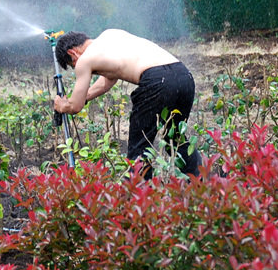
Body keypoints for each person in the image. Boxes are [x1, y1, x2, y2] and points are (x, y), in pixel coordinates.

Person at [52, 29, 202, 180]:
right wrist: (85, 96)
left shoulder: (84, 60)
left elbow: (75, 107)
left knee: (140, 146)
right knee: (176, 139)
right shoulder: (110, 35)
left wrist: (62, 105)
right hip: (183, 76)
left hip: (157, 80)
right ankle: (202, 184)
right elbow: (107, 80)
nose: (75, 67)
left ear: (73, 53)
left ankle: (141, 196)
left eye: (72, 65)